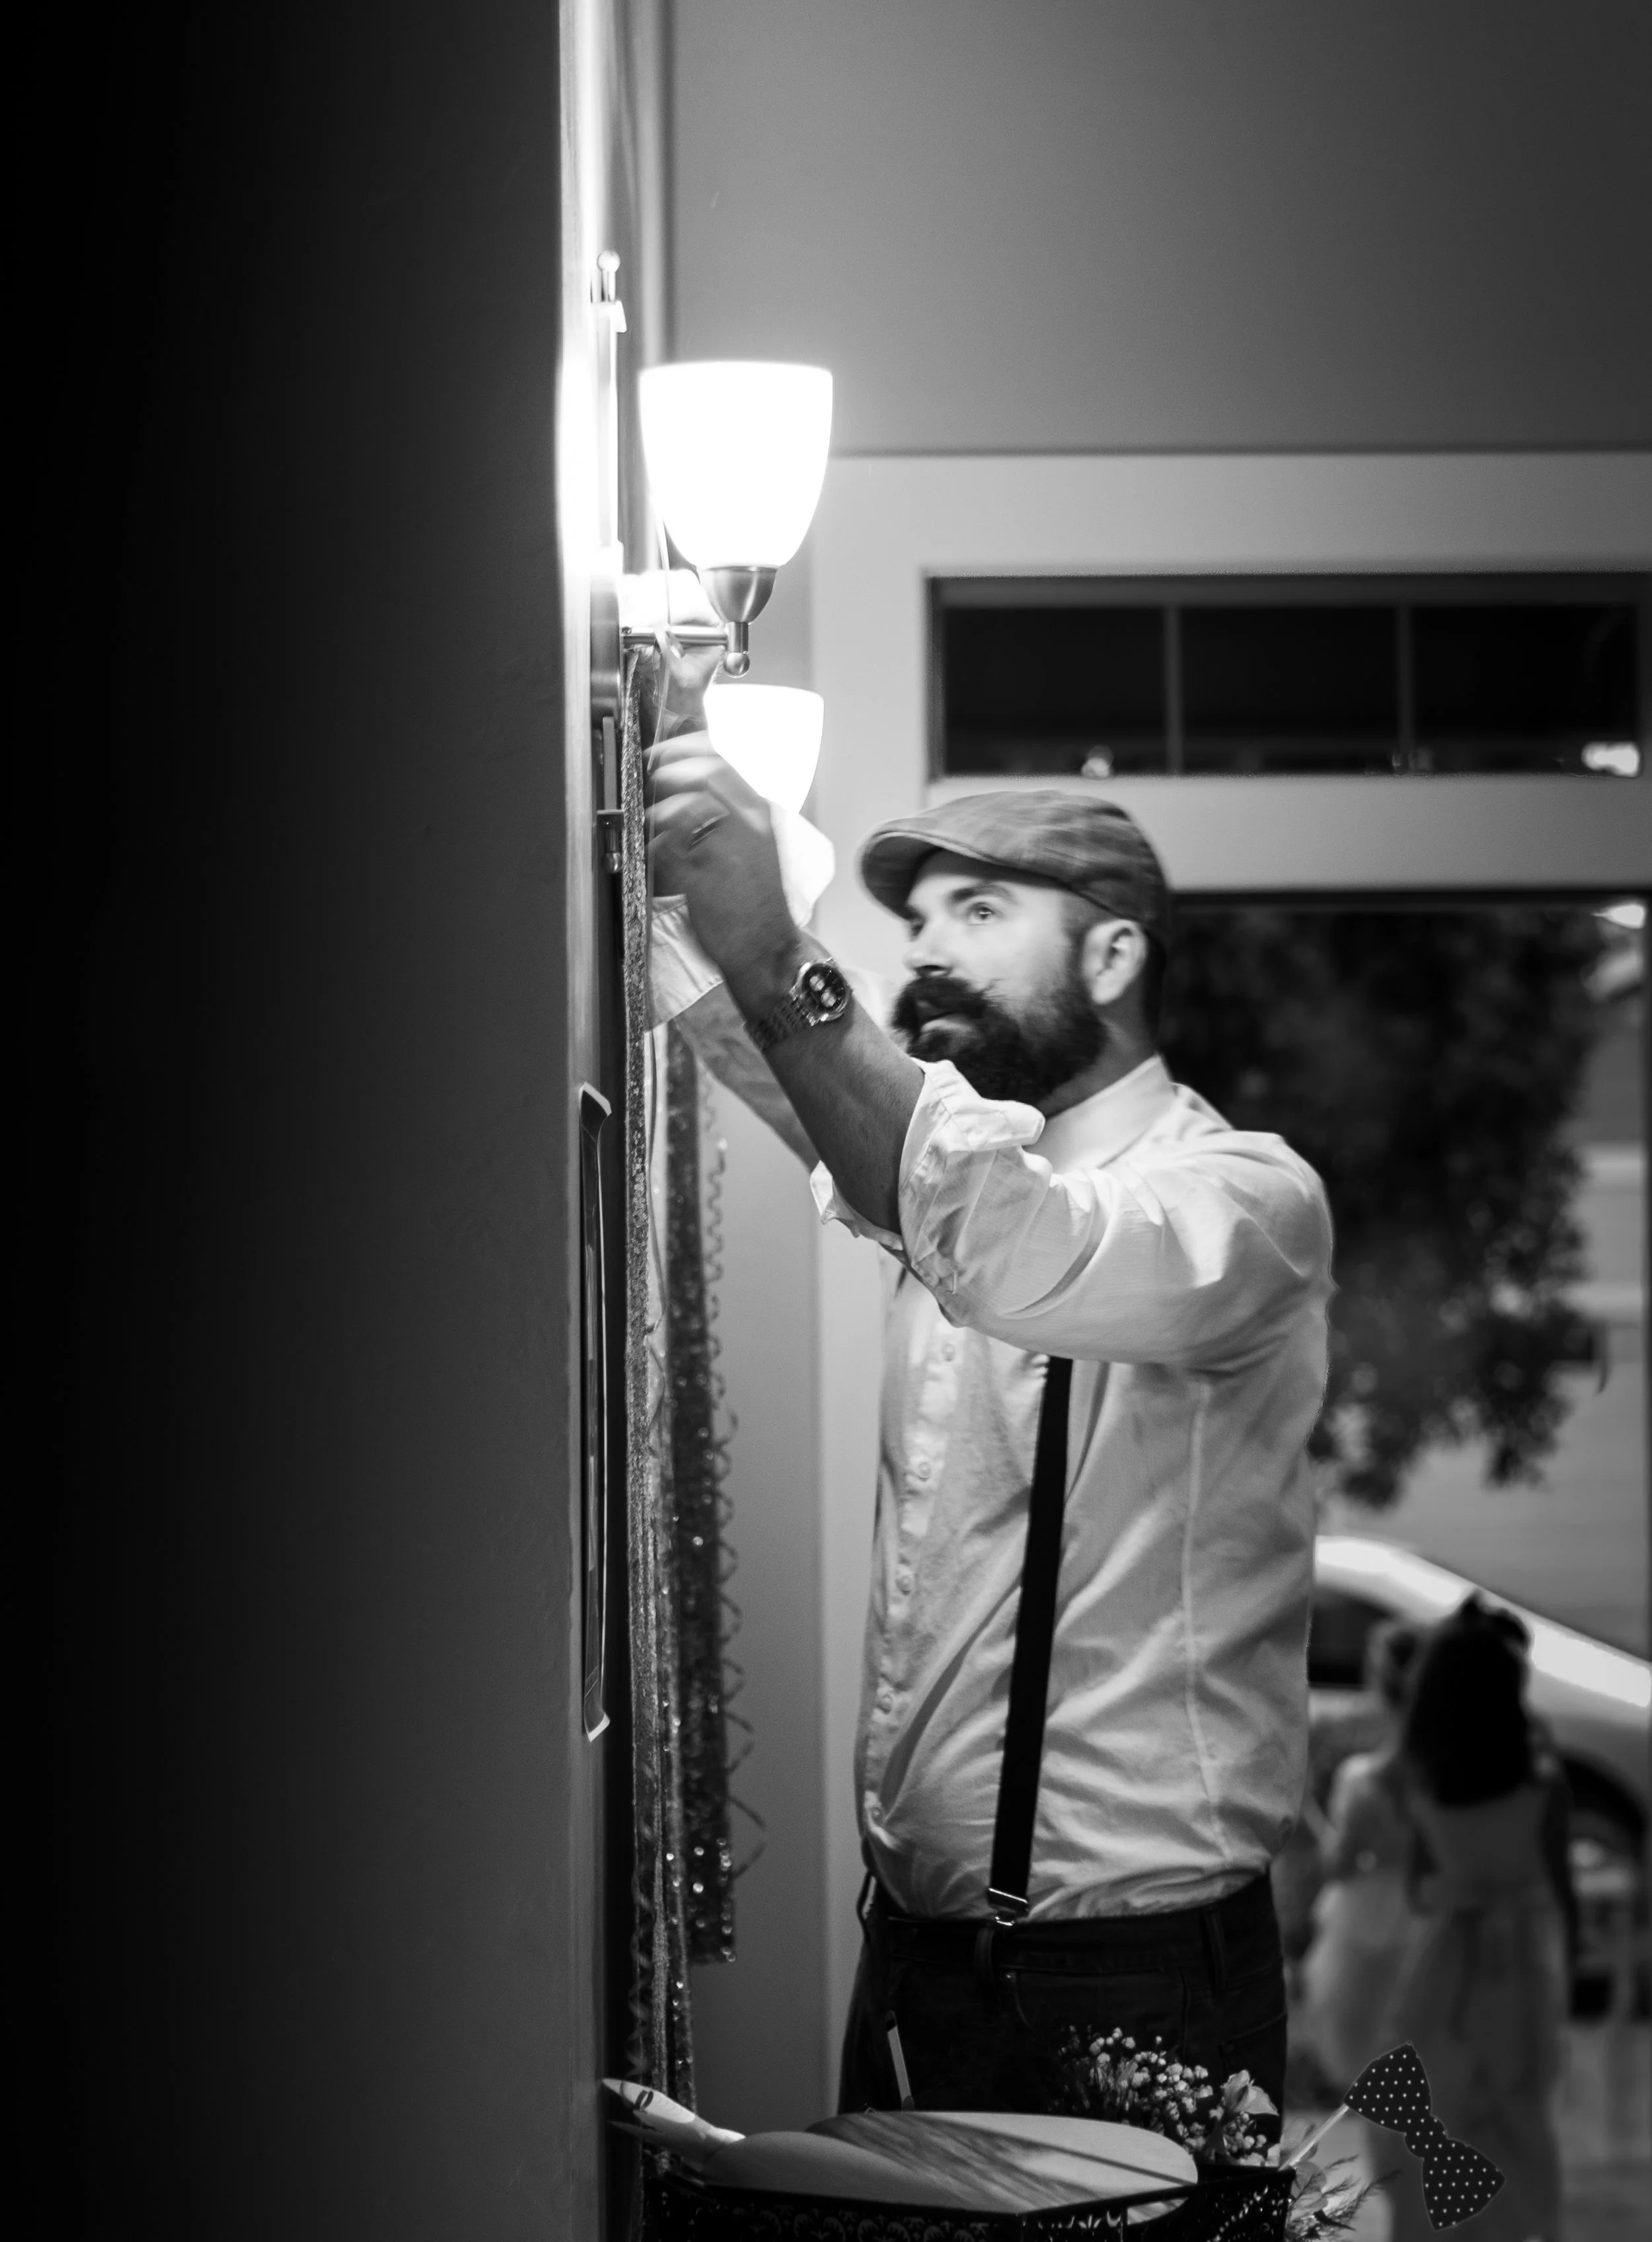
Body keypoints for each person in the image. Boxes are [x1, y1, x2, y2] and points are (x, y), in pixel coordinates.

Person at [648, 745, 1334, 2117]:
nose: (927, 951)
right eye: (913, 923)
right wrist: (682, 902)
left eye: (978, 913)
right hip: (911, 1958)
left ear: (1111, 957)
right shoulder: (935, 1177)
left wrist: (784, 953)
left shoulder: (1243, 1203)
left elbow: (1016, 1245)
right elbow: (794, 1084)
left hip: (1128, 1978)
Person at [1384, 1598, 1571, 2242]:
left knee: (1441, 2108)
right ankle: (1533, 2225)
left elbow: (1417, 1883)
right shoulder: (1542, 1777)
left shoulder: (1424, 1776)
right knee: (1520, 2105)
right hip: (1519, 1954)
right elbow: (1558, 1881)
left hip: (1443, 1956)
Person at [1303, 1621, 1424, 2087]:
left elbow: (1338, 1863)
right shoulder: (1444, 1776)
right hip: (1426, 1912)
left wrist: (1308, 1811)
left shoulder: (1362, 1781)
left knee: (1370, 2060)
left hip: (1364, 1920)